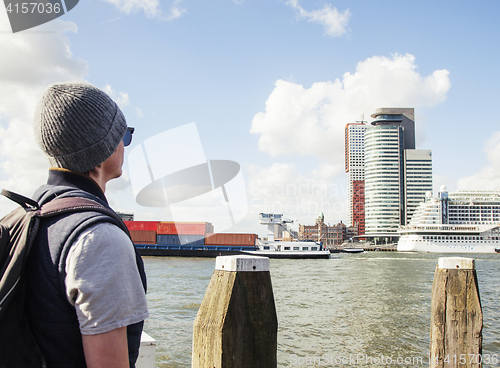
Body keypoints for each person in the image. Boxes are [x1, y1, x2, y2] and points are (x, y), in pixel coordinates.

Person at [25, 82, 149, 368]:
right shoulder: (99, 240)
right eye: (124, 135)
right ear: (104, 148)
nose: (124, 145)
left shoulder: (31, 218)